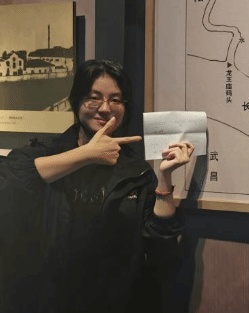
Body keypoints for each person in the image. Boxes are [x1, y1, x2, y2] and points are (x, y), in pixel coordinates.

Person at [0, 59, 194, 313]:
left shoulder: (135, 170)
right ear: (76, 100)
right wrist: (87, 154)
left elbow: (159, 248)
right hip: (45, 299)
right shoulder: (46, 153)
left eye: (115, 99)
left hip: (114, 301)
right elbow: (11, 179)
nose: (105, 108)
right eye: (93, 97)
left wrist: (165, 177)